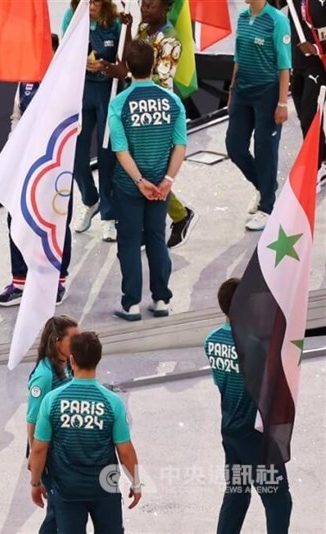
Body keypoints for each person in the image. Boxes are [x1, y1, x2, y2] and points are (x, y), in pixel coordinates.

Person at [102, 0, 199, 248]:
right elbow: (131, 59)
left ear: (165, 8)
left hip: (157, 115)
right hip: (137, 108)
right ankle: (175, 216)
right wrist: (130, 30)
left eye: (151, 6)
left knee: (148, 171)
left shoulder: (170, 41)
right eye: (143, 4)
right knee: (139, 171)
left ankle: (177, 215)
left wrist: (124, 74)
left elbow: (156, 78)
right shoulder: (145, 28)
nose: (145, 9)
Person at [0, 34, 74, 308]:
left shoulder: (66, 83)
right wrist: (15, 146)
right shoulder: (25, 80)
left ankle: (57, 281)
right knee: (16, 217)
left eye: (46, 52)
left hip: (55, 163)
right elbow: (17, 116)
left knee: (55, 220)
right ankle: (19, 281)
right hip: (25, 161)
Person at [29, 331, 141, 532]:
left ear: (72, 359)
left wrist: (35, 483)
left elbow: (39, 449)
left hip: (67, 488)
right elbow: (125, 451)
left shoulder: (52, 400)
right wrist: (136, 483)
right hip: (105, 486)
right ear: (98, 360)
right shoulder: (112, 402)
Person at [205, 278, 293, 533]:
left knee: (237, 494)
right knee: (278, 500)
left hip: (230, 430)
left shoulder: (211, 341)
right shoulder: (256, 346)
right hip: (256, 436)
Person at [107, 40, 187, 321]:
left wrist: (140, 181)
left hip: (130, 187)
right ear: (154, 64)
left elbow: (120, 150)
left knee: (128, 242)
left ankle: (131, 304)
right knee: (157, 239)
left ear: (127, 67)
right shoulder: (173, 101)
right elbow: (179, 146)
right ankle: (161, 299)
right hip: (161, 187)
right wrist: (167, 180)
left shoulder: (119, 104)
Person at [226, 0, 292, 231]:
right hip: (243, 92)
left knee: (265, 150)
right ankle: (265, 186)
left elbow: (285, 65)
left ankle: (267, 208)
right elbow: (238, 57)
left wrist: (282, 103)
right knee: (234, 147)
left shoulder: (277, 21)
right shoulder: (243, 17)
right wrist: (232, 92)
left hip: (268, 94)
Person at [64, 0, 120, 244]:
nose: (90, 5)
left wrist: (104, 67)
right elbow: (65, 54)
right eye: (85, 1)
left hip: (108, 92)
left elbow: (123, 64)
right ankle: (90, 200)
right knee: (76, 156)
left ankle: (109, 216)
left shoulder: (117, 23)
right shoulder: (72, 17)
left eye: (95, 1)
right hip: (82, 92)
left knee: (107, 156)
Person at [26, 315, 80, 534]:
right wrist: (36, 464)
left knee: (59, 512)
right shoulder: (44, 376)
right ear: (57, 341)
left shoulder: (66, 365)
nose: (79, 343)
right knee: (59, 513)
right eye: (74, 339)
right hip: (51, 456)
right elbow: (32, 420)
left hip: (65, 453)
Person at [289, 0, 326, 190]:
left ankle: (315, 167)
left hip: (318, 64)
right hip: (297, 63)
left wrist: (316, 49)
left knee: (309, 117)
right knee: (302, 113)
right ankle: (323, 156)